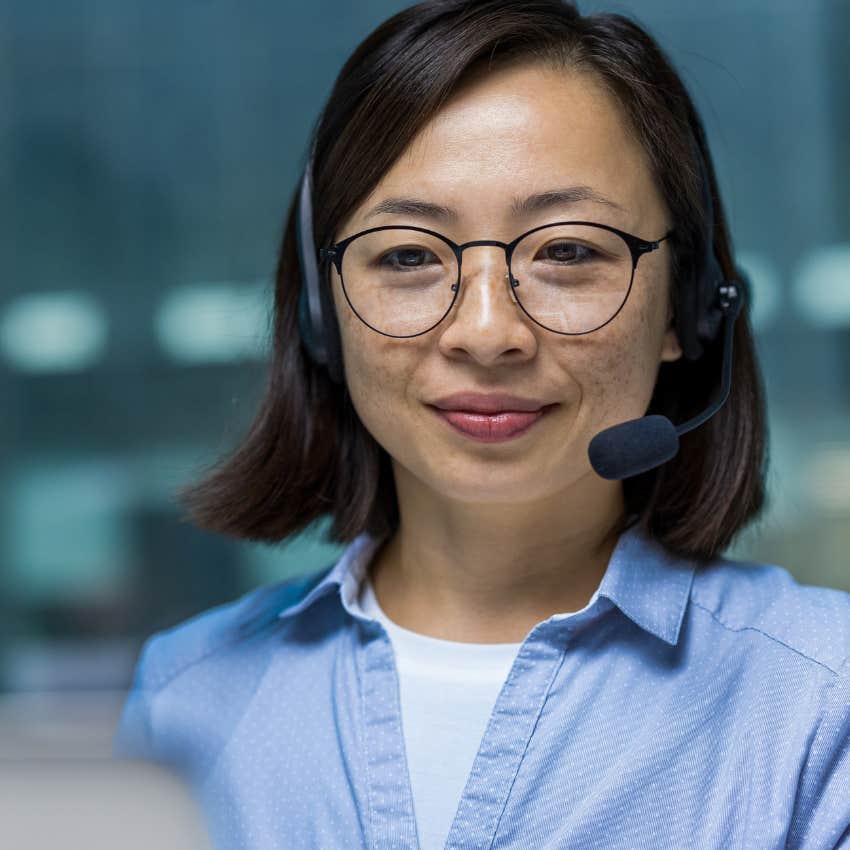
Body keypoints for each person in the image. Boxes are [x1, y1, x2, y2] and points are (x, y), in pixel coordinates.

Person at [113, 2, 850, 849]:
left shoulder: (822, 698)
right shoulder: (185, 693)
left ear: (688, 308)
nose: (488, 332)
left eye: (568, 251)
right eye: (409, 256)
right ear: (323, 315)